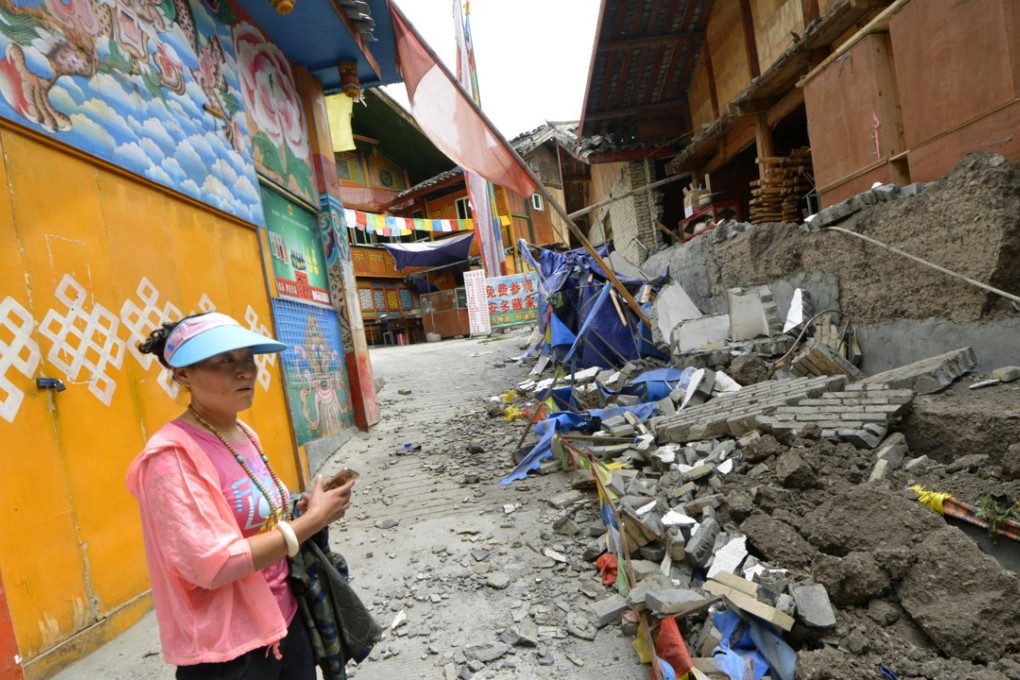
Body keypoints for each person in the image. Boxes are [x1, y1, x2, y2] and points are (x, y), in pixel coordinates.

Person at [125, 311, 355, 679]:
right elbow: (212, 566)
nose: (244, 371)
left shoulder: (243, 433)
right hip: (229, 650)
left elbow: (257, 517)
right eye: (224, 361)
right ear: (182, 374)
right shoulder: (170, 458)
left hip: (286, 620)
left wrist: (302, 510)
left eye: (248, 358)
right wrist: (312, 523)